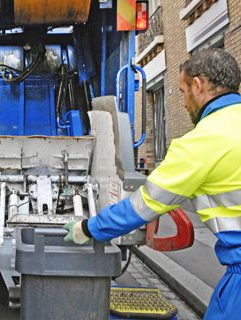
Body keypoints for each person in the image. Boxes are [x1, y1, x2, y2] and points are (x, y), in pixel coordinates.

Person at [63, 48, 241, 319]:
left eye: (182, 92)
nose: (183, 103)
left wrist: (87, 227)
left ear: (198, 84)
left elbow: (143, 205)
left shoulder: (203, 141)